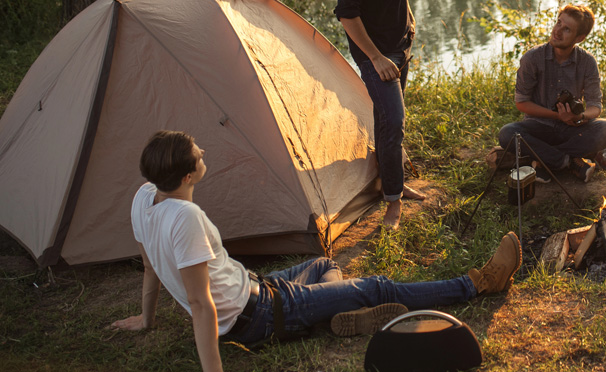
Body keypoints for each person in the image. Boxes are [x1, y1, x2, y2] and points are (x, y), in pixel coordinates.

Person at [111, 131, 522, 372]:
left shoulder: (144, 197)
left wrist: (146, 319)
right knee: (375, 286)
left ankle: (342, 316)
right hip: (260, 315)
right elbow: (201, 306)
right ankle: (477, 284)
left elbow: (149, 265)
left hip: (259, 289)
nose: (203, 152)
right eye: (197, 154)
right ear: (187, 175)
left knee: (325, 264)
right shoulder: (185, 216)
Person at [335, 0, 424, 229]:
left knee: (387, 122)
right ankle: (392, 205)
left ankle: (393, 183)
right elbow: (347, 14)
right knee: (394, 124)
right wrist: (375, 58)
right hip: (379, 57)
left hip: (400, 48)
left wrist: (409, 22)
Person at [496, 5, 606, 183]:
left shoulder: (587, 62)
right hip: (538, 127)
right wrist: (557, 116)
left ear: (580, 38)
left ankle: (542, 159)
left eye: (566, 29)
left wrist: (579, 117)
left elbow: (595, 106)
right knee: (507, 133)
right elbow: (522, 103)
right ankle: (568, 162)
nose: (557, 31)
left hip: (571, 128)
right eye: (558, 23)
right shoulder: (532, 58)